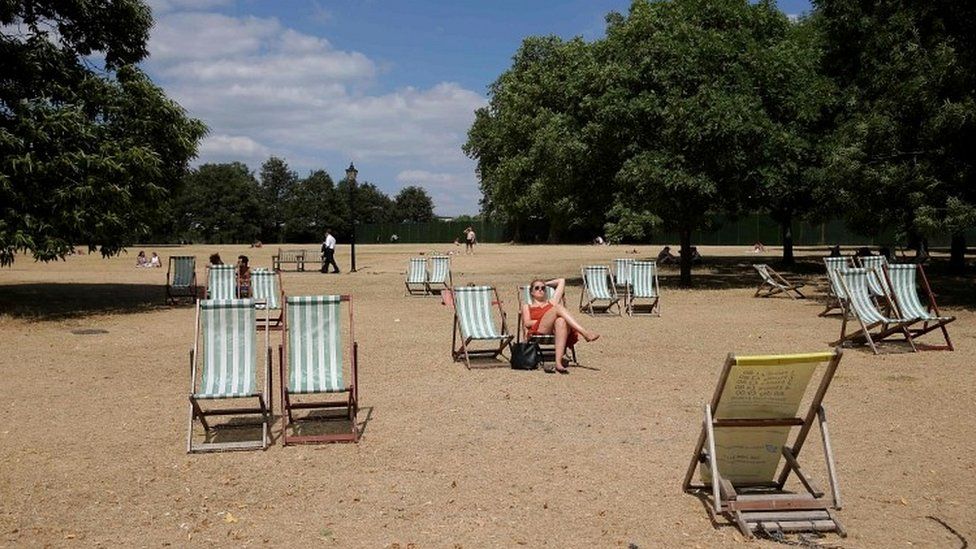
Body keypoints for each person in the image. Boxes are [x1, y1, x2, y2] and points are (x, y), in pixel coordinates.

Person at [522, 278, 600, 374]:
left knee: (561, 321)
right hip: (538, 329)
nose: (540, 290)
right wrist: (546, 320)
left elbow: (561, 281)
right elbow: (527, 323)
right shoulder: (527, 306)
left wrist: (545, 283)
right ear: (532, 292)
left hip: (553, 329)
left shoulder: (551, 302)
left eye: (543, 288)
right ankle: (584, 333)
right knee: (558, 307)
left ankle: (558, 363)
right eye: (537, 288)